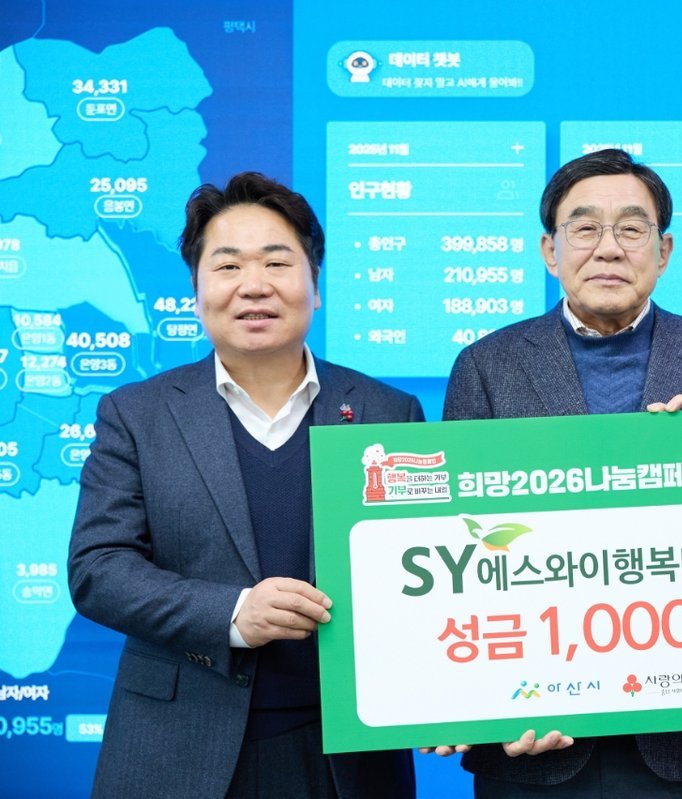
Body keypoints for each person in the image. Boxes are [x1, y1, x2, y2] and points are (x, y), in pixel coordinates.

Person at [68, 172, 422, 798]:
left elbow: (424, 572)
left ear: (315, 285)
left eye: (277, 263)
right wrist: (233, 613)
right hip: (178, 747)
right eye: (228, 266)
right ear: (196, 291)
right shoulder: (137, 414)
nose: (254, 285)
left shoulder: (387, 412)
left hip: (346, 755)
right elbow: (99, 568)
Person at [439, 148, 682, 797]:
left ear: (664, 251)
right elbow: (456, 545)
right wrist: (479, 701)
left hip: (678, 737)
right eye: (585, 228)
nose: (609, 247)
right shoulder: (485, 366)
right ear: (549, 250)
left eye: (631, 228)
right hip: (530, 736)